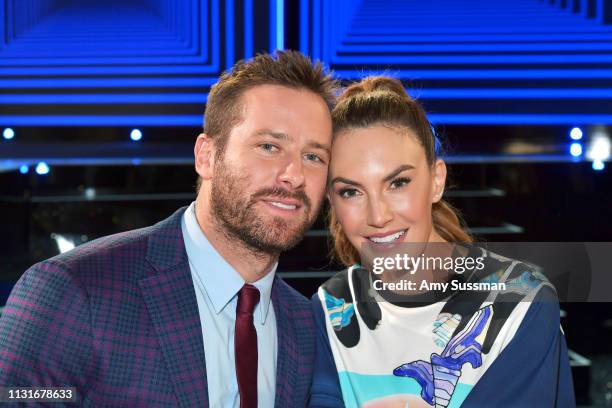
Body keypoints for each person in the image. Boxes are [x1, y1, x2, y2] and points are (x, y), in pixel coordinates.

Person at [0, 50, 337, 407]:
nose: (295, 175)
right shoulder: (74, 290)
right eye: (269, 146)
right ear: (206, 156)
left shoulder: (305, 324)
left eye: (314, 156)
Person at [309, 76, 576, 407]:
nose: (378, 215)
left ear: (436, 180)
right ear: (331, 202)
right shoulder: (330, 310)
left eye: (398, 183)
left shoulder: (520, 303)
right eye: (350, 191)